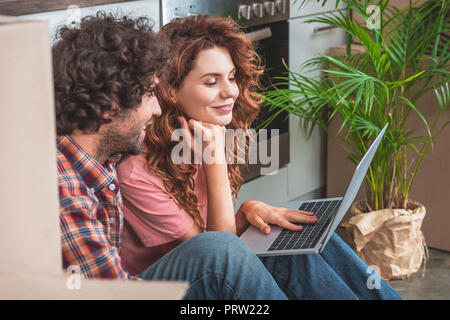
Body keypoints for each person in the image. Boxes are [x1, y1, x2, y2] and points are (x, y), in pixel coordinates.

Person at [117, 15, 402, 300]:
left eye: (230, 77)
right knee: (273, 243)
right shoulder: (137, 172)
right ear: (171, 92)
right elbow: (216, 257)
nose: (230, 92)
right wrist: (215, 162)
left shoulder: (205, 134)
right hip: (173, 290)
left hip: (212, 259)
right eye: (210, 82)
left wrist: (246, 210)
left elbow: (218, 233)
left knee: (291, 231)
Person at [53, 12, 299, 298]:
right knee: (222, 252)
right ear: (109, 107)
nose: (157, 108)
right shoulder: (69, 193)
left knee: (290, 239)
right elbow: (118, 294)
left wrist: (244, 214)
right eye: (147, 94)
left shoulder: (104, 160)